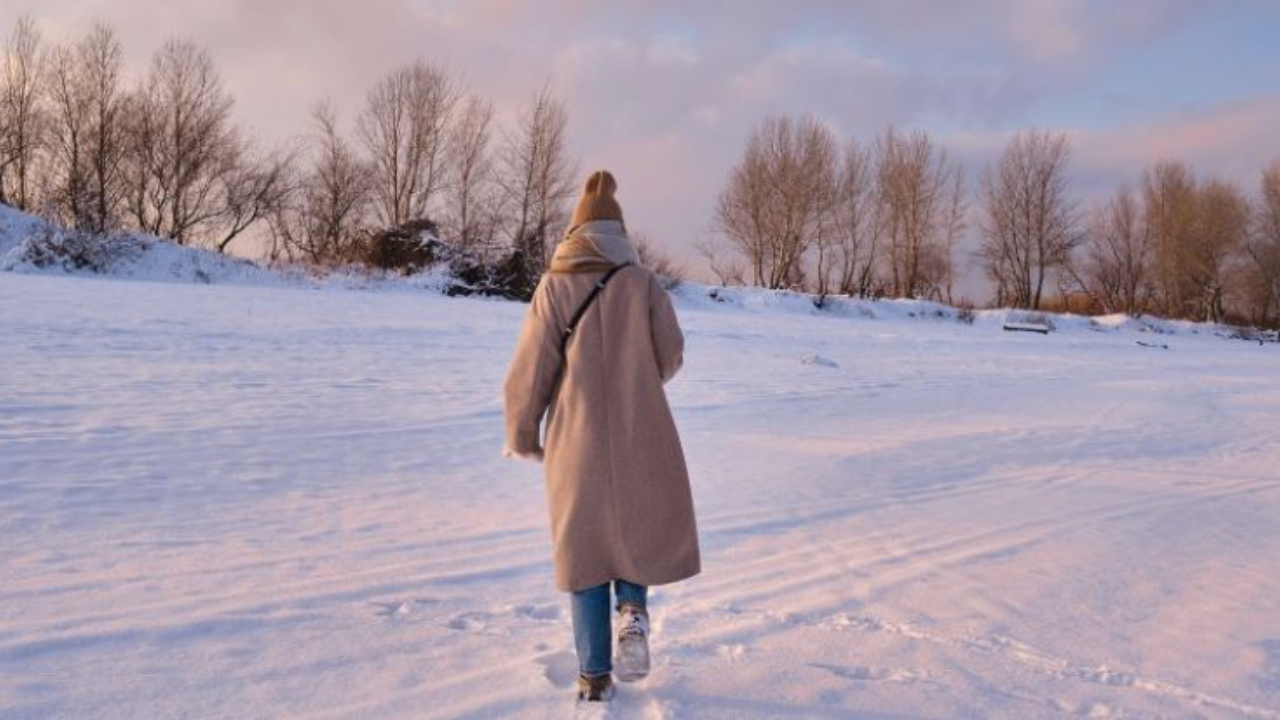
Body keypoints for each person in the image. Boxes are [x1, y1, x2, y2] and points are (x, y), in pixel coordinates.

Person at [503, 170, 701, 702]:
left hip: (575, 437)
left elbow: (532, 369)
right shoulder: (643, 284)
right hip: (642, 428)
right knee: (633, 530)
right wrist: (638, 378)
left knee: (585, 549)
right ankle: (632, 610)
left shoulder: (553, 284)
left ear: (574, 231)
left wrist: (523, 430)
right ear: (620, 233)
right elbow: (672, 353)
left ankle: (594, 676)